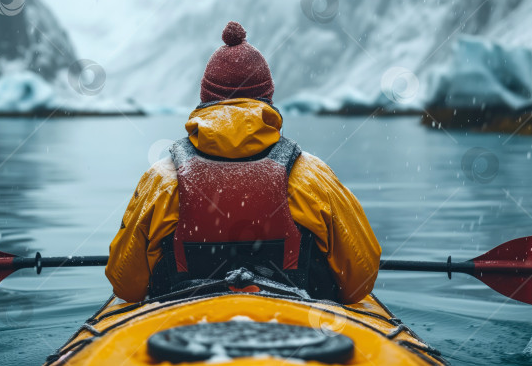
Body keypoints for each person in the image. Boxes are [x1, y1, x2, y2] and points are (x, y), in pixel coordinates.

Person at [106, 21, 381, 303]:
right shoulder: (310, 175)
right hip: (291, 328)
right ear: (267, 98)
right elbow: (360, 281)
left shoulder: (163, 178)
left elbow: (126, 286)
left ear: (205, 99)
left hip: (186, 328)